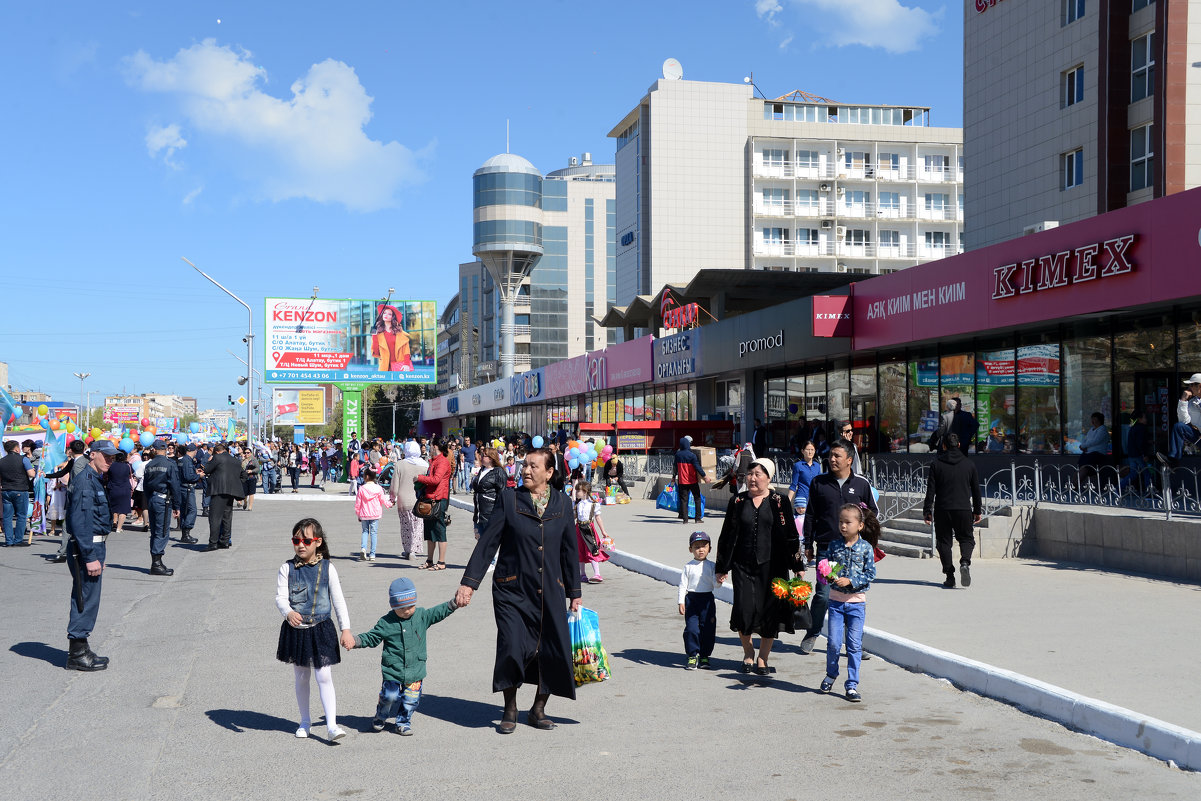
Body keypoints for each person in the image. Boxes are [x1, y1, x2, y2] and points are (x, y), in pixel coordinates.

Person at [455, 448, 583, 734]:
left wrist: (574, 590)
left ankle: (538, 710)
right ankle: (510, 707)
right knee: (512, 646)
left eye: (533, 467)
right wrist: (469, 582)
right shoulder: (510, 500)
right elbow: (488, 542)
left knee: (551, 650)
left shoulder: (563, 503)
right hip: (511, 589)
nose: (526, 470)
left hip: (550, 589)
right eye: (525, 465)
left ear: (549, 473)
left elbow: (568, 550)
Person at [714, 457, 796, 676]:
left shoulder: (780, 501)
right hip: (743, 566)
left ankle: (763, 658)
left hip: (773, 566)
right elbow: (727, 535)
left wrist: (797, 564)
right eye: (749, 474)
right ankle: (748, 651)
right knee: (744, 610)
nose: (752, 478)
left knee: (769, 613)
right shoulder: (738, 501)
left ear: (768, 478)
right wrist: (722, 567)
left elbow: (790, 535)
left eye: (757, 474)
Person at [349, 577, 459, 736]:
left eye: (411, 606)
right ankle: (381, 715)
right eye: (402, 608)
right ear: (393, 606)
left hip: (415, 669)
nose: (407, 610)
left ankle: (403, 722)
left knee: (411, 699)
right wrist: (356, 641)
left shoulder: (421, 616)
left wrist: (453, 604)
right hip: (393, 669)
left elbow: (438, 613)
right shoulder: (386, 622)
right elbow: (372, 637)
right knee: (390, 696)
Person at [276, 518, 354, 740]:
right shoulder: (286, 568)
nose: (301, 545)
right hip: (297, 630)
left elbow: (338, 601)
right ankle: (305, 721)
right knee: (301, 677)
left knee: (324, 676)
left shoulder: (328, 568)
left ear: (318, 542)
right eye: (296, 540)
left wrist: (345, 629)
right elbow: (280, 597)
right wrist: (288, 612)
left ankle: (332, 725)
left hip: (321, 628)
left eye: (306, 540)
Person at [801, 440, 878, 655]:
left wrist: (868, 541)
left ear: (849, 460)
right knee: (825, 595)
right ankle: (813, 632)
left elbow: (873, 514)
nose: (832, 459)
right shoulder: (819, 482)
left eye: (837, 456)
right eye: (831, 455)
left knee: (852, 597)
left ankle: (854, 644)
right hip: (828, 550)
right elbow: (810, 514)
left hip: (854, 552)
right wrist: (808, 543)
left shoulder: (861, 484)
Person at [64, 440, 119, 671]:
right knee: (84, 598)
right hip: (86, 548)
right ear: (92, 454)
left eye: (113, 457)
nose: (110, 460)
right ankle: (76, 653)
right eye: (105, 455)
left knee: (89, 597)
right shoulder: (86, 482)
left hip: (94, 546)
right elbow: (80, 522)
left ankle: (82, 647)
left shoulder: (94, 478)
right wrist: (89, 556)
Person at [818, 503, 880, 703]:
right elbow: (826, 570)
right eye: (840, 522)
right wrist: (826, 575)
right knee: (834, 643)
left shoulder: (866, 548)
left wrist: (852, 581)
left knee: (854, 646)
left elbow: (871, 573)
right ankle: (831, 674)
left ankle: (852, 685)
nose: (843, 526)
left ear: (860, 525)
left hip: (856, 604)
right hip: (836, 603)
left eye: (848, 522)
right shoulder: (834, 545)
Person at [922, 433, 982, 589]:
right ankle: (965, 562)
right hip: (963, 508)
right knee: (967, 539)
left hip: (942, 509)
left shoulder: (936, 464)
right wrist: (977, 510)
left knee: (943, 543)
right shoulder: (969, 464)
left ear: (943, 446)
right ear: (959, 445)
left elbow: (931, 490)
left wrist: (927, 510)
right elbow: (976, 490)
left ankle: (950, 576)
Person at [141, 440, 181, 576]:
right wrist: (177, 505)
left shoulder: (149, 465)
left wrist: (149, 498)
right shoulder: (169, 464)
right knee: (162, 530)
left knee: (155, 531)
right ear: (165, 450)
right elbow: (175, 486)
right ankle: (156, 563)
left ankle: (157, 561)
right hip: (163, 500)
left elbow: (145, 485)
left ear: (155, 450)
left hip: (152, 498)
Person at [678, 531, 717, 671]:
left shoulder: (712, 566)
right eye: (696, 546)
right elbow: (682, 585)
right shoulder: (688, 566)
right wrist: (681, 601)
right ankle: (693, 655)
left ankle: (705, 656)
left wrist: (720, 580)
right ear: (691, 549)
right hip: (692, 600)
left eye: (704, 546)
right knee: (691, 629)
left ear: (709, 549)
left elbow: (715, 585)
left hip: (707, 600)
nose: (700, 550)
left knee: (708, 629)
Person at [415, 438, 452, 570]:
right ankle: (429, 560)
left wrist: (420, 478)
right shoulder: (434, 461)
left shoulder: (442, 461)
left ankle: (441, 562)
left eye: (430, 445)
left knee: (439, 530)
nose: (429, 448)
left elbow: (436, 480)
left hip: (439, 499)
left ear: (435, 446)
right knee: (430, 531)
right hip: (430, 498)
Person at [202, 442, 244, 551]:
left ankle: (213, 543)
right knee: (227, 517)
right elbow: (243, 475)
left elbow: (207, 470)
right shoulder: (235, 460)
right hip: (230, 492)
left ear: (216, 452)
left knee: (215, 518)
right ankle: (225, 541)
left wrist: (209, 461)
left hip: (218, 491)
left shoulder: (217, 458)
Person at [390, 441, 427, 561]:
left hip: (403, 500)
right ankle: (413, 551)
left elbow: (394, 485)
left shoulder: (400, 464)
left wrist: (392, 497)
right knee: (417, 526)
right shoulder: (425, 465)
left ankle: (407, 550)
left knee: (406, 526)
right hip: (419, 500)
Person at [573, 480, 610, 584]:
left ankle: (597, 574)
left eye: (578, 491)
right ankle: (582, 574)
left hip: (589, 529)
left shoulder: (593, 504)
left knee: (592, 549)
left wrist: (603, 531)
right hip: (578, 528)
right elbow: (574, 517)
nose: (576, 493)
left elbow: (598, 518)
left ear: (584, 491)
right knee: (579, 550)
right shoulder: (577, 504)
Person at [0, 439, 35, 547]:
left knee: (7, 517)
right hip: (20, 489)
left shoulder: (1, 461)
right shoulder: (23, 459)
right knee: (21, 515)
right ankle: (18, 540)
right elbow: (31, 474)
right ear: (16, 449)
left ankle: (9, 540)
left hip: (6, 490)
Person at [354, 467, 392, 562]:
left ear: (366, 477)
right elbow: (383, 500)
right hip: (375, 514)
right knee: (374, 533)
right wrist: (390, 504)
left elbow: (358, 503)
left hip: (364, 514)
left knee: (365, 532)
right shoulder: (379, 488)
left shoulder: (362, 488)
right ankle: (372, 554)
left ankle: (363, 549)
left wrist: (358, 514)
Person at [672, 436, 710, 524]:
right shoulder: (692, 455)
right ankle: (697, 518)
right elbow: (697, 467)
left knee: (683, 500)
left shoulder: (677, 455)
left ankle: (685, 519)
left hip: (682, 481)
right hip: (692, 481)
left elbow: (675, 467)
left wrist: (673, 478)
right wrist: (705, 476)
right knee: (697, 498)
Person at [472, 448, 506, 540]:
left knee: (489, 544)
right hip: (479, 514)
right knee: (480, 542)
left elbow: (502, 494)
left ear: (491, 458)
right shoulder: (482, 470)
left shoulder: (498, 472)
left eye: (484, 455)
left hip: (490, 514)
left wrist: (498, 514)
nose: (481, 457)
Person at [788, 441, 822, 532]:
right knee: (800, 526)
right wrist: (787, 502)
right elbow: (793, 485)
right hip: (801, 500)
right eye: (808, 450)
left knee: (813, 526)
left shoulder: (817, 466)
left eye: (812, 450)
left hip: (814, 499)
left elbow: (819, 484)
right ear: (802, 451)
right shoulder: (798, 466)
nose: (810, 452)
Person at [371, 304, 413, 372]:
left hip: (400, 368)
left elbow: (406, 352)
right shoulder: (378, 334)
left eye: (389, 314)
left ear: (393, 317)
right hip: (384, 369)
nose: (386, 315)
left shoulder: (400, 333)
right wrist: (374, 336)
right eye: (384, 313)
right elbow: (376, 353)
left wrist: (406, 364)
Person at [102, 449, 134, 534]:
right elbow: (132, 475)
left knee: (113, 507)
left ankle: (113, 522)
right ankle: (119, 528)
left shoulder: (111, 465)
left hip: (113, 488)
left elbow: (106, 475)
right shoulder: (128, 466)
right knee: (123, 510)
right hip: (125, 488)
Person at [175, 444, 200, 544]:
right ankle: (186, 532)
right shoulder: (187, 461)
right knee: (192, 510)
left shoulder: (182, 460)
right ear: (195, 451)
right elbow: (189, 477)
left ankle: (184, 534)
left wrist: (195, 472)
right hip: (187, 488)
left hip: (182, 488)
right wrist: (198, 476)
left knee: (185, 510)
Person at [240, 447, 259, 511]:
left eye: (248, 453)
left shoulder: (254, 460)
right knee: (244, 493)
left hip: (252, 478)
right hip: (244, 478)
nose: (246, 454)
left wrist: (251, 471)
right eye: (245, 453)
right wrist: (242, 460)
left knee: (251, 492)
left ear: (251, 453)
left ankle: (250, 506)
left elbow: (258, 468)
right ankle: (245, 502)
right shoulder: (242, 460)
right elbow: (240, 468)